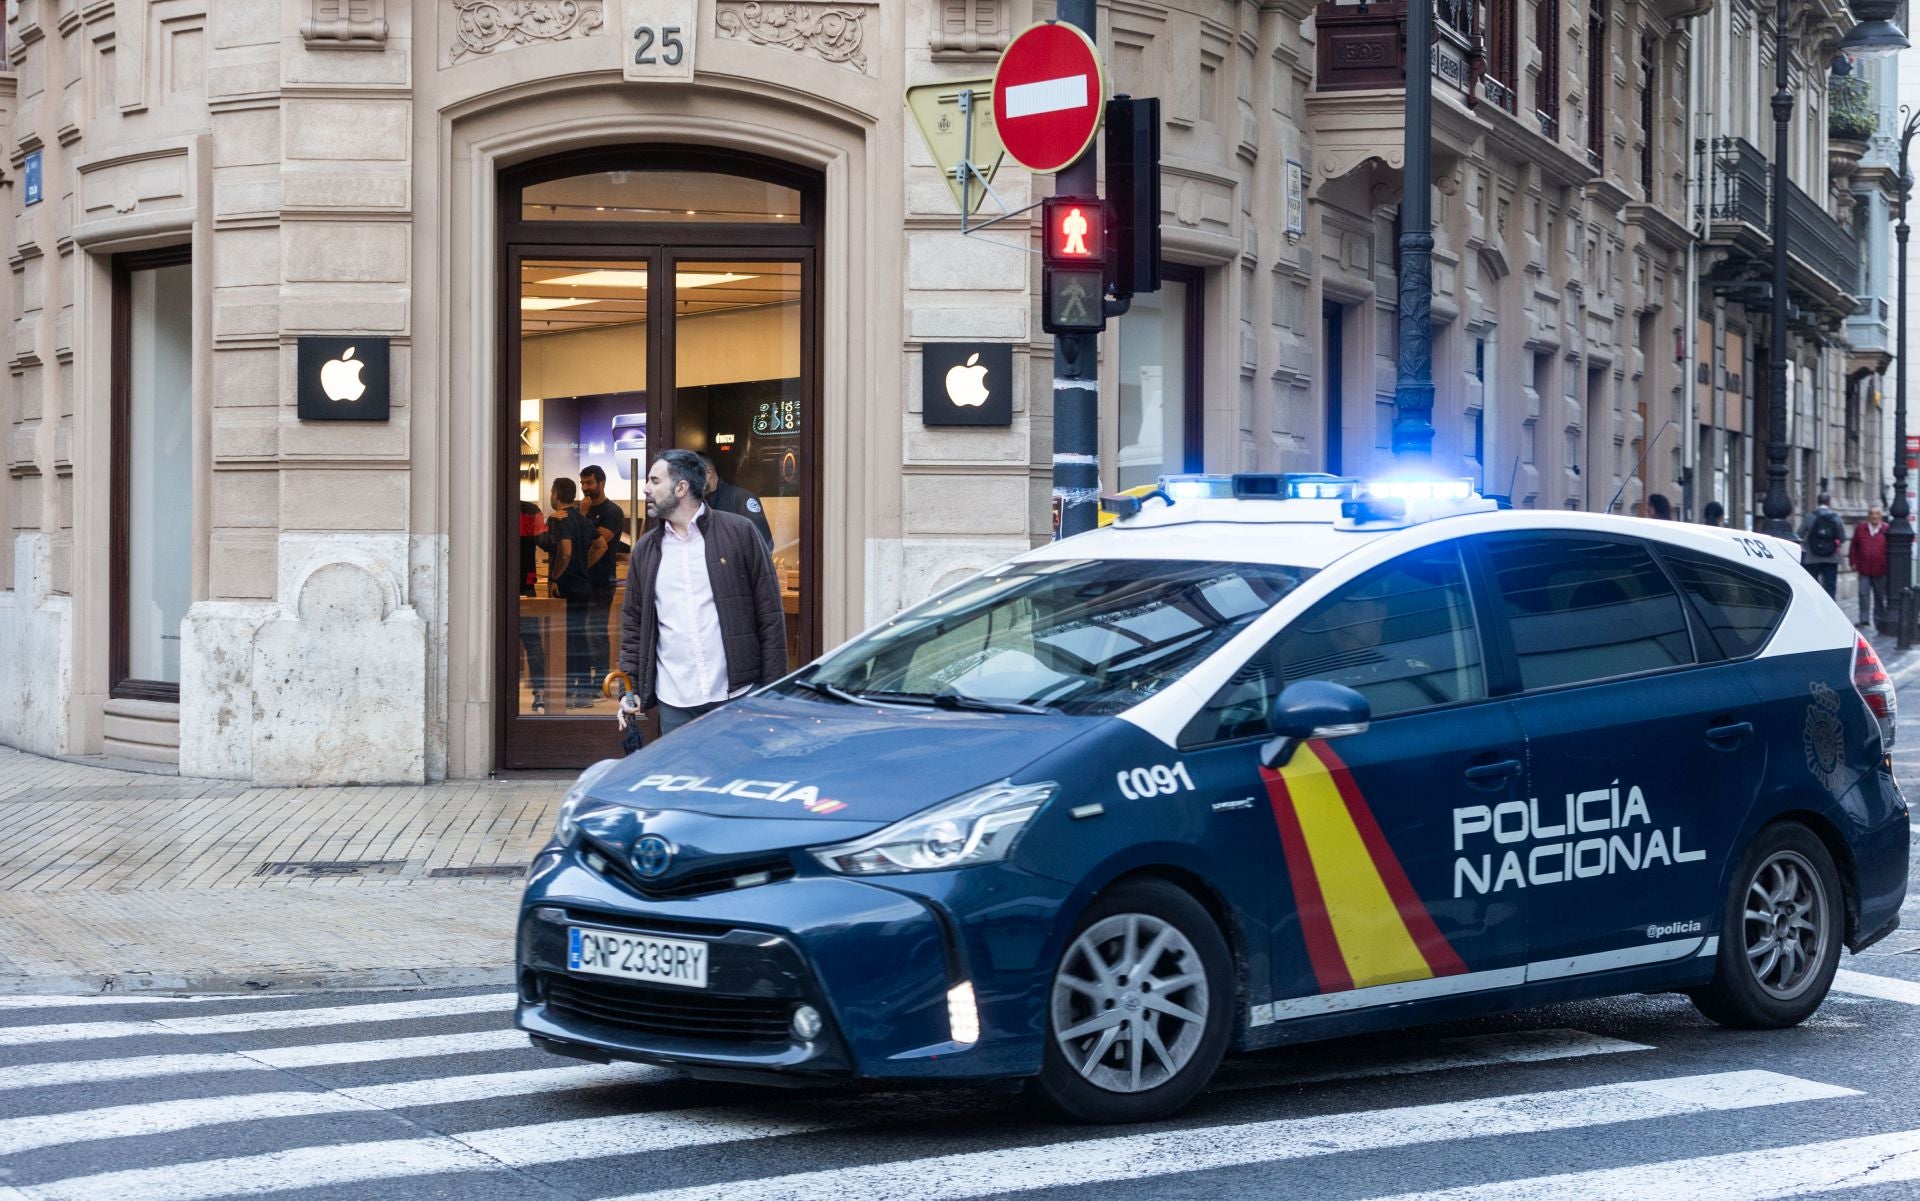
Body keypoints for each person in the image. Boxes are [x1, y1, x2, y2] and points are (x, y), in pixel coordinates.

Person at [619, 449, 787, 736]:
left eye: (655, 481)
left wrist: (772, 693)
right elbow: (634, 624)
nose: (646, 489)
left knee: (736, 778)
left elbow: (769, 616)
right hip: (674, 701)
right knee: (684, 779)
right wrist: (629, 689)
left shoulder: (740, 533)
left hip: (736, 695)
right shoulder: (646, 550)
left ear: (681, 488)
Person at [541, 477, 598, 708]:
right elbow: (601, 544)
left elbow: (565, 551)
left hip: (566, 587)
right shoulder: (581, 519)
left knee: (565, 640)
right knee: (579, 638)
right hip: (583, 585)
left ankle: (566, 691)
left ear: (555, 494)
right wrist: (585, 564)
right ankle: (583, 692)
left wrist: (555, 576)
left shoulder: (561, 520)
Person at [578, 464, 628, 700]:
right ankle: (584, 682)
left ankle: (601, 684)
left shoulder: (613, 511)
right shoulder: (583, 511)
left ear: (601, 483)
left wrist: (584, 515)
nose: (585, 488)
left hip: (601, 580)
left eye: (589, 483)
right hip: (581, 582)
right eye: (582, 483)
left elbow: (600, 542)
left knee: (596, 631)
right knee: (581, 631)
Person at [704, 457, 773, 550]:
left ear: (708, 473)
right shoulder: (695, 503)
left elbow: (764, 543)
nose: (689, 482)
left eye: (692, 476)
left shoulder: (742, 499)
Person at [1798, 492, 1845, 598]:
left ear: (1817, 502)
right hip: (1831, 557)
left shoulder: (1810, 517)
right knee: (1830, 587)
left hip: (1812, 557)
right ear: (1829, 502)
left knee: (1812, 587)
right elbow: (1842, 538)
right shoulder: (1836, 518)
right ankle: (1829, 611)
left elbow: (1799, 534)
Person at [1849, 504, 1889, 628]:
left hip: (1881, 569)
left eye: (1877, 514)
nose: (1874, 516)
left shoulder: (1887, 529)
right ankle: (1864, 619)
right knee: (1863, 594)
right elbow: (1853, 547)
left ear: (1881, 516)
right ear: (1868, 516)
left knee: (1879, 596)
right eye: (1872, 514)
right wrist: (1853, 562)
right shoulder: (1861, 528)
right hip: (1864, 568)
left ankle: (1880, 620)